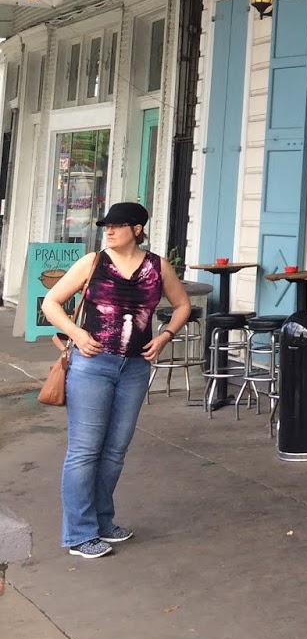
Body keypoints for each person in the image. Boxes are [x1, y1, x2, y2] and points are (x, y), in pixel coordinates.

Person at [41, 202, 191, 559]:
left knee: (115, 450)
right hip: (92, 365)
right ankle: (78, 534)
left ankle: (102, 521)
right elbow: (51, 303)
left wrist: (166, 335)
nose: (108, 231)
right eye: (106, 225)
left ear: (137, 229)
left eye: (117, 225)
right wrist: (76, 334)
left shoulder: (158, 267)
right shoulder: (93, 262)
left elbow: (182, 305)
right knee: (84, 450)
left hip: (135, 368)